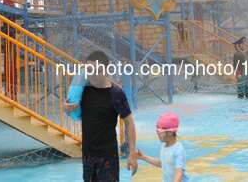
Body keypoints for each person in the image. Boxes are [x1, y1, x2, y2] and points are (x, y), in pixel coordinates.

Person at [64, 51, 138, 181]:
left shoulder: (116, 94)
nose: (92, 74)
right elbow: (72, 111)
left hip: (108, 156)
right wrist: (65, 109)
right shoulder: (84, 91)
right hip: (88, 156)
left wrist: (132, 153)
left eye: (96, 70)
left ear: (106, 70)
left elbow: (129, 122)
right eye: (89, 70)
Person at [136, 112, 189, 182]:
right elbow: (163, 163)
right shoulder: (164, 146)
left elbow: (179, 172)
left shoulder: (178, 150)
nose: (157, 133)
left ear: (170, 132)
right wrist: (144, 157)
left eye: (160, 130)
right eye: (157, 130)